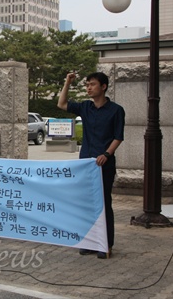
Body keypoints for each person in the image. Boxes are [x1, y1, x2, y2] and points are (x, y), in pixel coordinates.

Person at [57, 72, 125, 259]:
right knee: (86, 204)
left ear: (103, 87)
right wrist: (67, 81)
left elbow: (118, 136)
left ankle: (105, 244)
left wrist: (106, 154)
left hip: (104, 163)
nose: (88, 88)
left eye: (92, 84)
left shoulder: (116, 110)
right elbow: (61, 104)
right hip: (85, 163)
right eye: (87, 84)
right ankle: (90, 242)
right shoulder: (85, 107)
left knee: (103, 203)